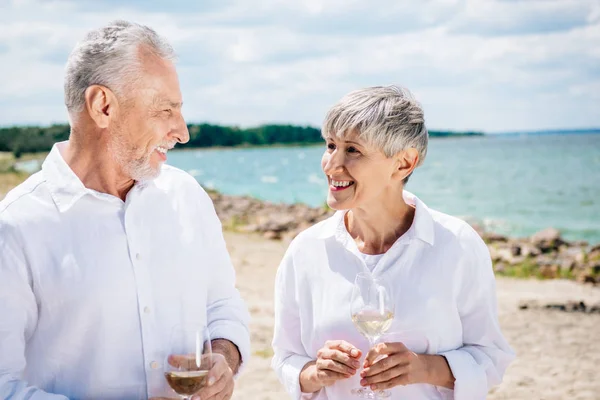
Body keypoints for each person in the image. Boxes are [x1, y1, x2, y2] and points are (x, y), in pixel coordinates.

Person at [0, 20, 250, 400]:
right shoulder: (15, 228)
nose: (182, 132)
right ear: (103, 106)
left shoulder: (187, 196)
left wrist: (224, 357)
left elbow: (222, 303)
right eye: (165, 110)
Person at [271, 85, 515, 399]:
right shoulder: (306, 251)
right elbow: (286, 359)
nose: (331, 164)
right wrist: (315, 373)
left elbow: (491, 359)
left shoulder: (457, 244)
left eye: (352, 150)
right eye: (331, 145)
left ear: (403, 164)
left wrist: (424, 368)